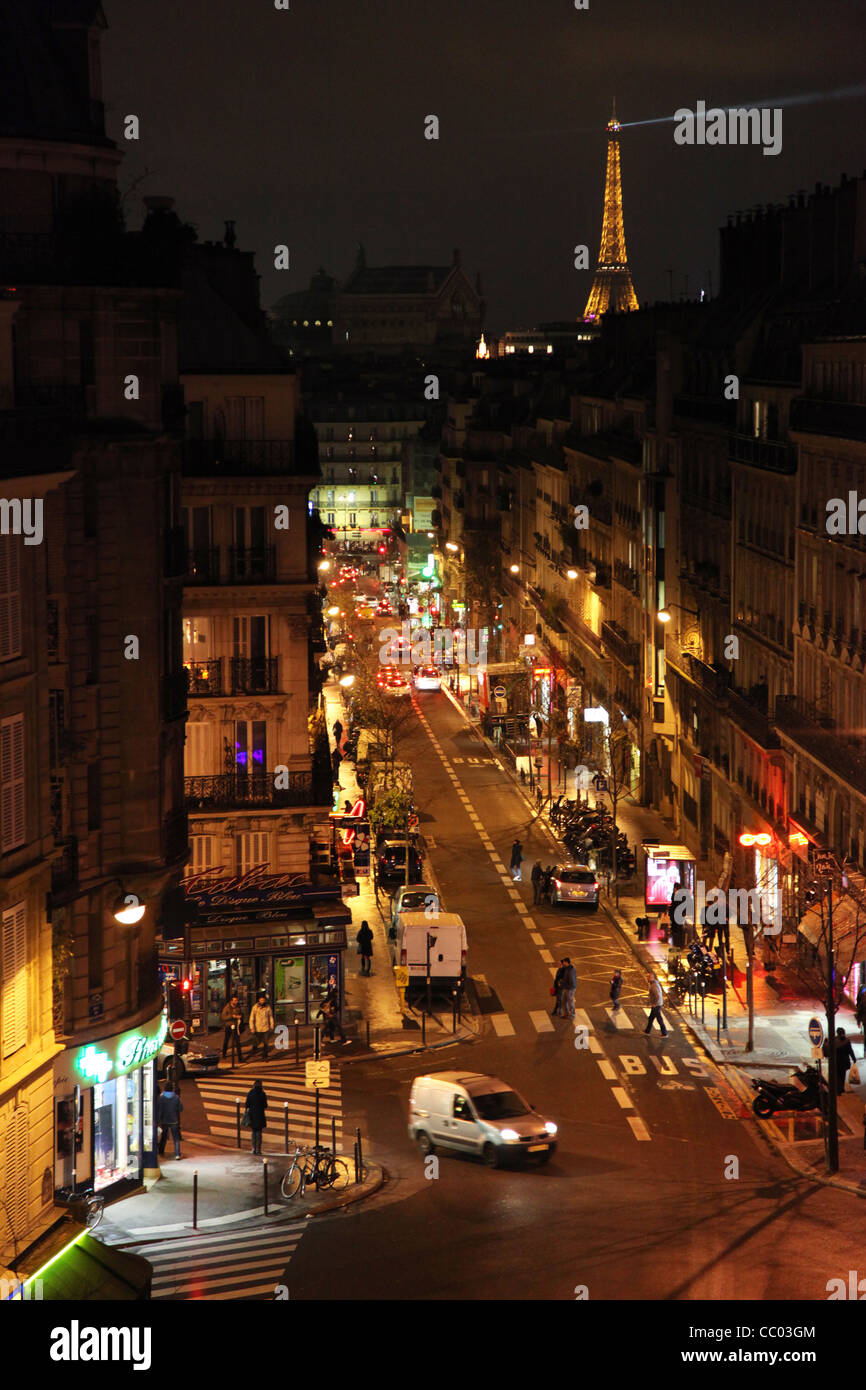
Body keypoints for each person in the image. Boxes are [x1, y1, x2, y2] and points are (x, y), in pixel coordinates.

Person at [824, 1027, 856, 1094]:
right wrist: (854, 1059)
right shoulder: (846, 1040)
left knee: (836, 1075)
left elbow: (827, 1049)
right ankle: (841, 1088)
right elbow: (850, 1051)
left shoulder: (833, 1040)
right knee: (842, 1075)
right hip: (844, 1061)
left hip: (835, 1061)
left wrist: (825, 1042)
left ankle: (837, 1089)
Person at [157, 1081, 183, 1161]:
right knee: (176, 1138)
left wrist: (159, 1120)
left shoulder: (161, 1098)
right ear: (172, 1089)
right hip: (174, 1120)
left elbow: (159, 1110)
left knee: (164, 1137)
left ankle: (161, 1151)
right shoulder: (176, 1097)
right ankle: (177, 1154)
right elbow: (181, 1108)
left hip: (164, 1120)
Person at [249, 991, 275, 1060]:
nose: (262, 1001)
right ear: (259, 1000)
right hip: (257, 1028)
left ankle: (265, 1056)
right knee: (256, 1042)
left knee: (266, 1042)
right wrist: (252, 1027)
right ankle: (254, 1050)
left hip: (265, 1027)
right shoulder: (255, 1007)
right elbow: (252, 1018)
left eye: (263, 1000)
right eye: (261, 1000)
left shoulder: (267, 1007)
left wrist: (272, 1025)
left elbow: (270, 1016)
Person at [246, 1079, 268, 1156]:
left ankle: (253, 1148)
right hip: (260, 1115)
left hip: (252, 1115)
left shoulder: (250, 1093)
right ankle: (259, 1149)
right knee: (259, 1132)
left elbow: (247, 1104)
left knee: (253, 1132)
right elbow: (265, 1105)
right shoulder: (262, 1094)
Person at [221, 993, 244, 1062]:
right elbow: (223, 1017)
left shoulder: (238, 1007)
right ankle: (224, 1053)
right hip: (229, 1026)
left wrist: (240, 1016)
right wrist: (232, 1016)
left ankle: (240, 1058)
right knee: (226, 1040)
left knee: (238, 1042)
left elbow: (241, 1014)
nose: (236, 1002)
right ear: (231, 1001)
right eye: (234, 1000)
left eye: (236, 1000)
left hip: (236, 1026)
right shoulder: (227, 1008)